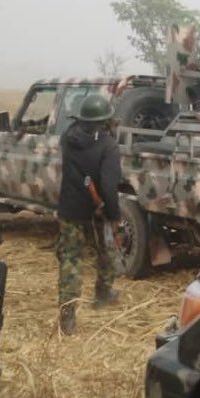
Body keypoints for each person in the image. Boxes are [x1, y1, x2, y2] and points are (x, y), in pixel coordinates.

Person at [56, 93, 122, 335]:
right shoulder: (108, 145)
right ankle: (103, 294)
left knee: (70, 261)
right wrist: (113, 214)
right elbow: (108, 185)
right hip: (97, 210)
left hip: (69, 208)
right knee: (106, 252)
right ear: (105, 120)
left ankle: (68, 314)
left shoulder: (67, 137)